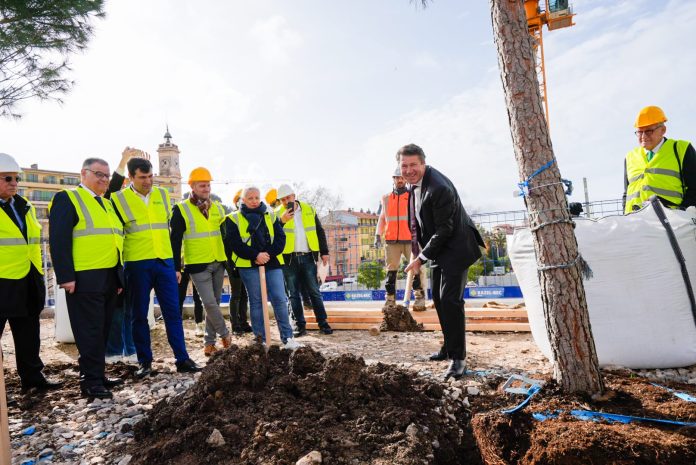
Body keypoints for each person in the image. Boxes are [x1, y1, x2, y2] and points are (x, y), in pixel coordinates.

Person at [110, 155, 200, 378]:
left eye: (150, 176)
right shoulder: (118, 199)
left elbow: (169, 231)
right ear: (130, 177)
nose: (148, 181)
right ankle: (145, 362)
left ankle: (182, 358)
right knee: (138, 315)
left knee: (173, 313)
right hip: (137, 263)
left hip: (164, 263)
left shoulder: (162, 194)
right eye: (142, 177)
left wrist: (175, 266)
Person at [400, 144, 485, 380]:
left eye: (413, 165)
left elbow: (445, 229)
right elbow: (420, 222)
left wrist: (421, 257)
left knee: (450, 300)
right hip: (439, 249)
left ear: (423, 163)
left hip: (456, 247)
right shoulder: (414, 184)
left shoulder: (438, 188)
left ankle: (459, 359)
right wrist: (421, 252)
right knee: (438, 298)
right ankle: (448, 347)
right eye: (404, 166)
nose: (409, 170)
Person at [49, 157, 125, 398]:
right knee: (89, 331)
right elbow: (59, 240)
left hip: (109, 275)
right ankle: (90, 382)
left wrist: (118, 278)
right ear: (84, 173)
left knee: (102, 329)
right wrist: (66, 276)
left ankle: (98, 375)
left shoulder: (106, 203)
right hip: (84, 277)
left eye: (107, 175)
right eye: (98, 174)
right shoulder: (68, 198)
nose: (104, 179)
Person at [0, 153, 62, 398]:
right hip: (2, 282)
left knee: (28, 334)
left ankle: (33, 378)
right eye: (7, 178)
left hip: (27, 280)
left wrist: (36, 277)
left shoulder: (23, 207)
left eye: (16, 178)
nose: (14, 182)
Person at [225, 186, 300, 349]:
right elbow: (235, 244)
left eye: (257, 198)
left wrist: (267, 254)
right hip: (248, 265)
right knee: (257, 301)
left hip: (272, 263)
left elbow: (280, 238)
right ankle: (260, 339)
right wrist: (255, 256)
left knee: (280, 299)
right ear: (243, 200)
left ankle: (287, 338)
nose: (254, 201)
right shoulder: (233, 219)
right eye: (250, 198)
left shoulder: (271, 215)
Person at [170, 167, 231, 356]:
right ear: (192, 186)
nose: (206, 188)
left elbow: (225, 235)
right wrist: (176, 266)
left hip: (218, 261)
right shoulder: (181, 209)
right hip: (197, 264)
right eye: (202, 185)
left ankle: (209, 344)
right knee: (209, 303)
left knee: (216, 302)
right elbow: (175, 240)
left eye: (208, 185)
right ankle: (226, 335)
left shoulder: (218, 208)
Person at [275, 183, 333, 337]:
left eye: (288, 197)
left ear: (294, 196)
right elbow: (272, 235)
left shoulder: (309, 209)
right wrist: (281, 221)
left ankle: (323, 323)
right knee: (293, 294)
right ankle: (299, 326)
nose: (286, 201)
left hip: (307, 257)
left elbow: (319, 231)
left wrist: (324, 252)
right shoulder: (276, 215)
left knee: (314, 292)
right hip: (288, 260)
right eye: (283, 199)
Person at [623, 106, 696, 213]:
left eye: (648, 131)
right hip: (634, 223)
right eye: (639, 132)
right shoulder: (629, 157)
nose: (643, 136)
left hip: (672, 222)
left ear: (663, 130)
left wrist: (682, 213)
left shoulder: (681, 149)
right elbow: (626, 194)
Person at [375, 166, 427, 310]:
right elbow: (382, 217)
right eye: (397, 178)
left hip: (411, 240)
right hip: (392, 241)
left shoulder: (413, 195)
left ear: (405, 179)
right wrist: (378, 235)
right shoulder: (386, 198)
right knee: (391, 271)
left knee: (416, 269)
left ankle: (419, 298)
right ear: (393, 179)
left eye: (402, 178)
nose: (399, 180)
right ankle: (390, 300)